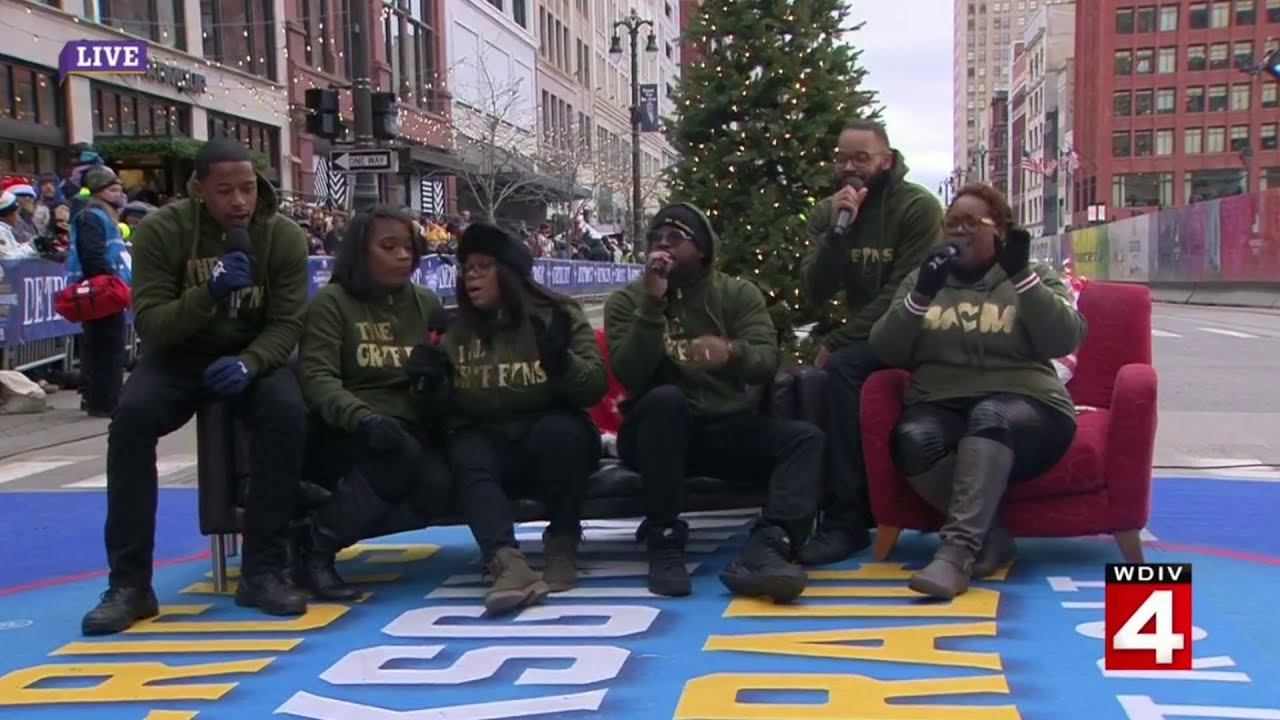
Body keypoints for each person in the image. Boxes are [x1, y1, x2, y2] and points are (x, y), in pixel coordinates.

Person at [82, 139, 312, 635]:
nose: (239, 202)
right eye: (225, 190)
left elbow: (289, 323)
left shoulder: (283, 237)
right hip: (177, 357)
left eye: (248, 189)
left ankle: (263, 570)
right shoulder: (162, 232)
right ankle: (130, 585)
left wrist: (251, 363)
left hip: (250, 354)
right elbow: (151, 324)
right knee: (132, 422)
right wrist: (208, 294)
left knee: (288, 413)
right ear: (199, 189)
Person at [868, 182, 1086, 599]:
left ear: (999, 229)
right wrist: (920, 296)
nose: (959, 231)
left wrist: (1021, 276)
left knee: (991, 415)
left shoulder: (1033, 275)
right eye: (951, 223)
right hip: (941, 402)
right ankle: (993, 537)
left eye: (972, 223)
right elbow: (885, 348)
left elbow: (1065, 339)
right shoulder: (925, 278)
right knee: (913, 439)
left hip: (1030, 410)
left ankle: (956, 554)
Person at [604, 203, 823, 602]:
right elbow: (630, 372)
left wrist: (731, 352)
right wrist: (653, 304)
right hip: (653, 433)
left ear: (702, 249)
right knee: (667, 400)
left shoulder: (736, 294)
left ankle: (768, 547)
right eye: (656, 238)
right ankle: (664, 539)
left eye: (675, 238)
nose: (662, 246)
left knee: (804, 439)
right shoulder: (627, 301)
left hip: (721, 427)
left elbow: (765, 361)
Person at [414, 223, 605, 616]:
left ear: (510, 272)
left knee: (560, 432)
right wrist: (429, 389)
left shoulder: (558, 315)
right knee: (465, 447)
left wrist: (561, 362)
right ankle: (506, 563)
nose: (471, 275)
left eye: (483, 266)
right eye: (466, 267)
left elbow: (593, 387)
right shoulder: (454, 330)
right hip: (492, 444)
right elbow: (440, 416)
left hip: (552, 442)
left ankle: (563, 542)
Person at [798, 119, 945, 566]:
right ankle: (810, 504)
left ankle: (849, 518)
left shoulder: (917, 208)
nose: (850, 168)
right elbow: (812, 290)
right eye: (842, 158)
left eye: (861, 158)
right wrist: (837, 235)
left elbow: (903, 291)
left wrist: (838, 341)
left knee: (842, 368)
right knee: (802, 378)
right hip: (867, 329)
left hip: (916, 324)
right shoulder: (831, 212)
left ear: (887, 159)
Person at [296, 205, 453, 600]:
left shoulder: (425, 302)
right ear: (360, 253)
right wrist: (363, 419)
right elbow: (317, 378)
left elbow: (441, 387)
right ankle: (314, 552)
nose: (404, 256)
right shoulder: (332, 302)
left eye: (409, 247)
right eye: (389, 247)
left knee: (443, 482)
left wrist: (435, 386)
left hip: (410, 428)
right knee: (399, 457)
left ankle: (310, 526)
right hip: (348, 428)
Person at [67, 166, 129, 417]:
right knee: (106, 347)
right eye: (113, 190)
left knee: (104, 346)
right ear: (99, 191)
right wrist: (110, 281)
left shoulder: (100, 216)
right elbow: (93, 256)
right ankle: (104, 400)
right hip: (101, 291)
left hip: (106, 288)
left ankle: (101, 397)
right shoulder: (91, 217)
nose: (118, 195)